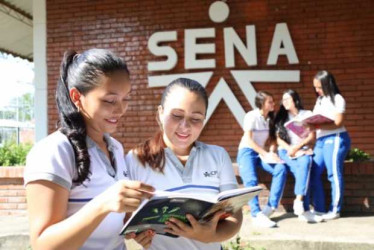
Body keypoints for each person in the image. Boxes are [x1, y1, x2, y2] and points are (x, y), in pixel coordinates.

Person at [24, 49, 155, 250]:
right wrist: (103, 204)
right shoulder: (53, 152)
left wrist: (136, 225)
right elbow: (43, 245)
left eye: (126, 98)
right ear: (77, 96)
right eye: (110, 100)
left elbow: (109, 223)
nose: (120, 110)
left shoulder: (116, 148)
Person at [125, 78, 243, 250]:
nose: (185, 126)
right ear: (160, 112)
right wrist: (137, 235)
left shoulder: (218, 155)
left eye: (195, 118)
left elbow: (234, 216)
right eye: (177, 115)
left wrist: (210, 236)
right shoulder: (136, 159)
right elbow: (125, 219)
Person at [237, 91, 287, 228]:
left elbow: (273, 140)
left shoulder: (271, 119)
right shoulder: (251, 116)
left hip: (261, 153)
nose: (273, 104)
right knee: (251, 180)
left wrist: (271, 152)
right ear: (262, 103)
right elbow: (248, 140)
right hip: (247, 151)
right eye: (270, 102)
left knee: (281, 168)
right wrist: (265, 154)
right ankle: (256, 214)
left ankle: (271, 207)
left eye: (273, 101)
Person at [273, 89, 322, 223]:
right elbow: (278, 139)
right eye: (283, 100)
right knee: (303, 170)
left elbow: (312, 136)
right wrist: (290, 148)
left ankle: (299, 200)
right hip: (286, 150)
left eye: (288, 99)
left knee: (305, 163)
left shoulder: (306, 114)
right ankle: (304, 210)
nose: (285, 102)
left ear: (295, 100)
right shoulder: (282, 117)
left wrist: (297, 147)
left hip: (302, 149)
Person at [309, 70, 351, 220]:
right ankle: (319, 208)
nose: (317, 90)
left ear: (327, 84)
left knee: (333, 174)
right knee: (313, 171)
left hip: (335, 138)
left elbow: (338, 123)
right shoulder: (319, 100)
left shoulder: (338, 99)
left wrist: (318, 126)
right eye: (315, 87)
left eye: (319, 87)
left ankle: (335, 210)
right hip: (320, 141)